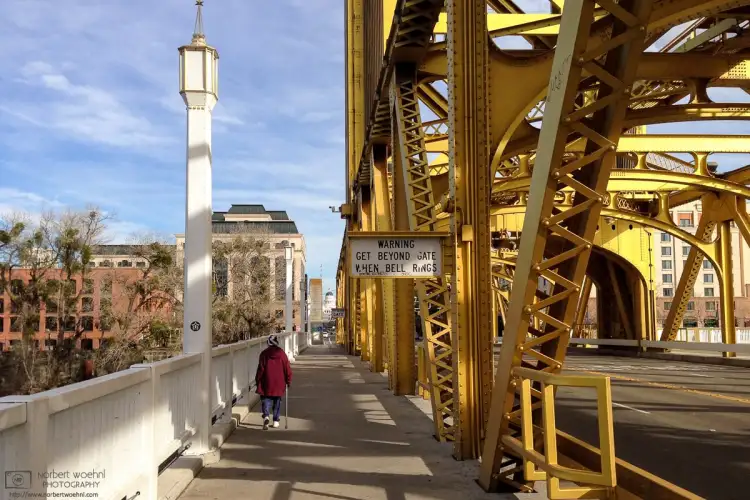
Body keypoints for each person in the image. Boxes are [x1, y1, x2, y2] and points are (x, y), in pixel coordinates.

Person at [255, 334, 292, 430]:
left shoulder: (264, 354)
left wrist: (257, 379)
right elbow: (287, 368)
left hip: (266, 381)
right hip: (279, 382)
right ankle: (275, 420)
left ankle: (266, 416)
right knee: (277, 401)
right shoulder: (282, 354)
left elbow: (260, 369)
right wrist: (288, 380)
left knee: (266, 399)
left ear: (268, 343)